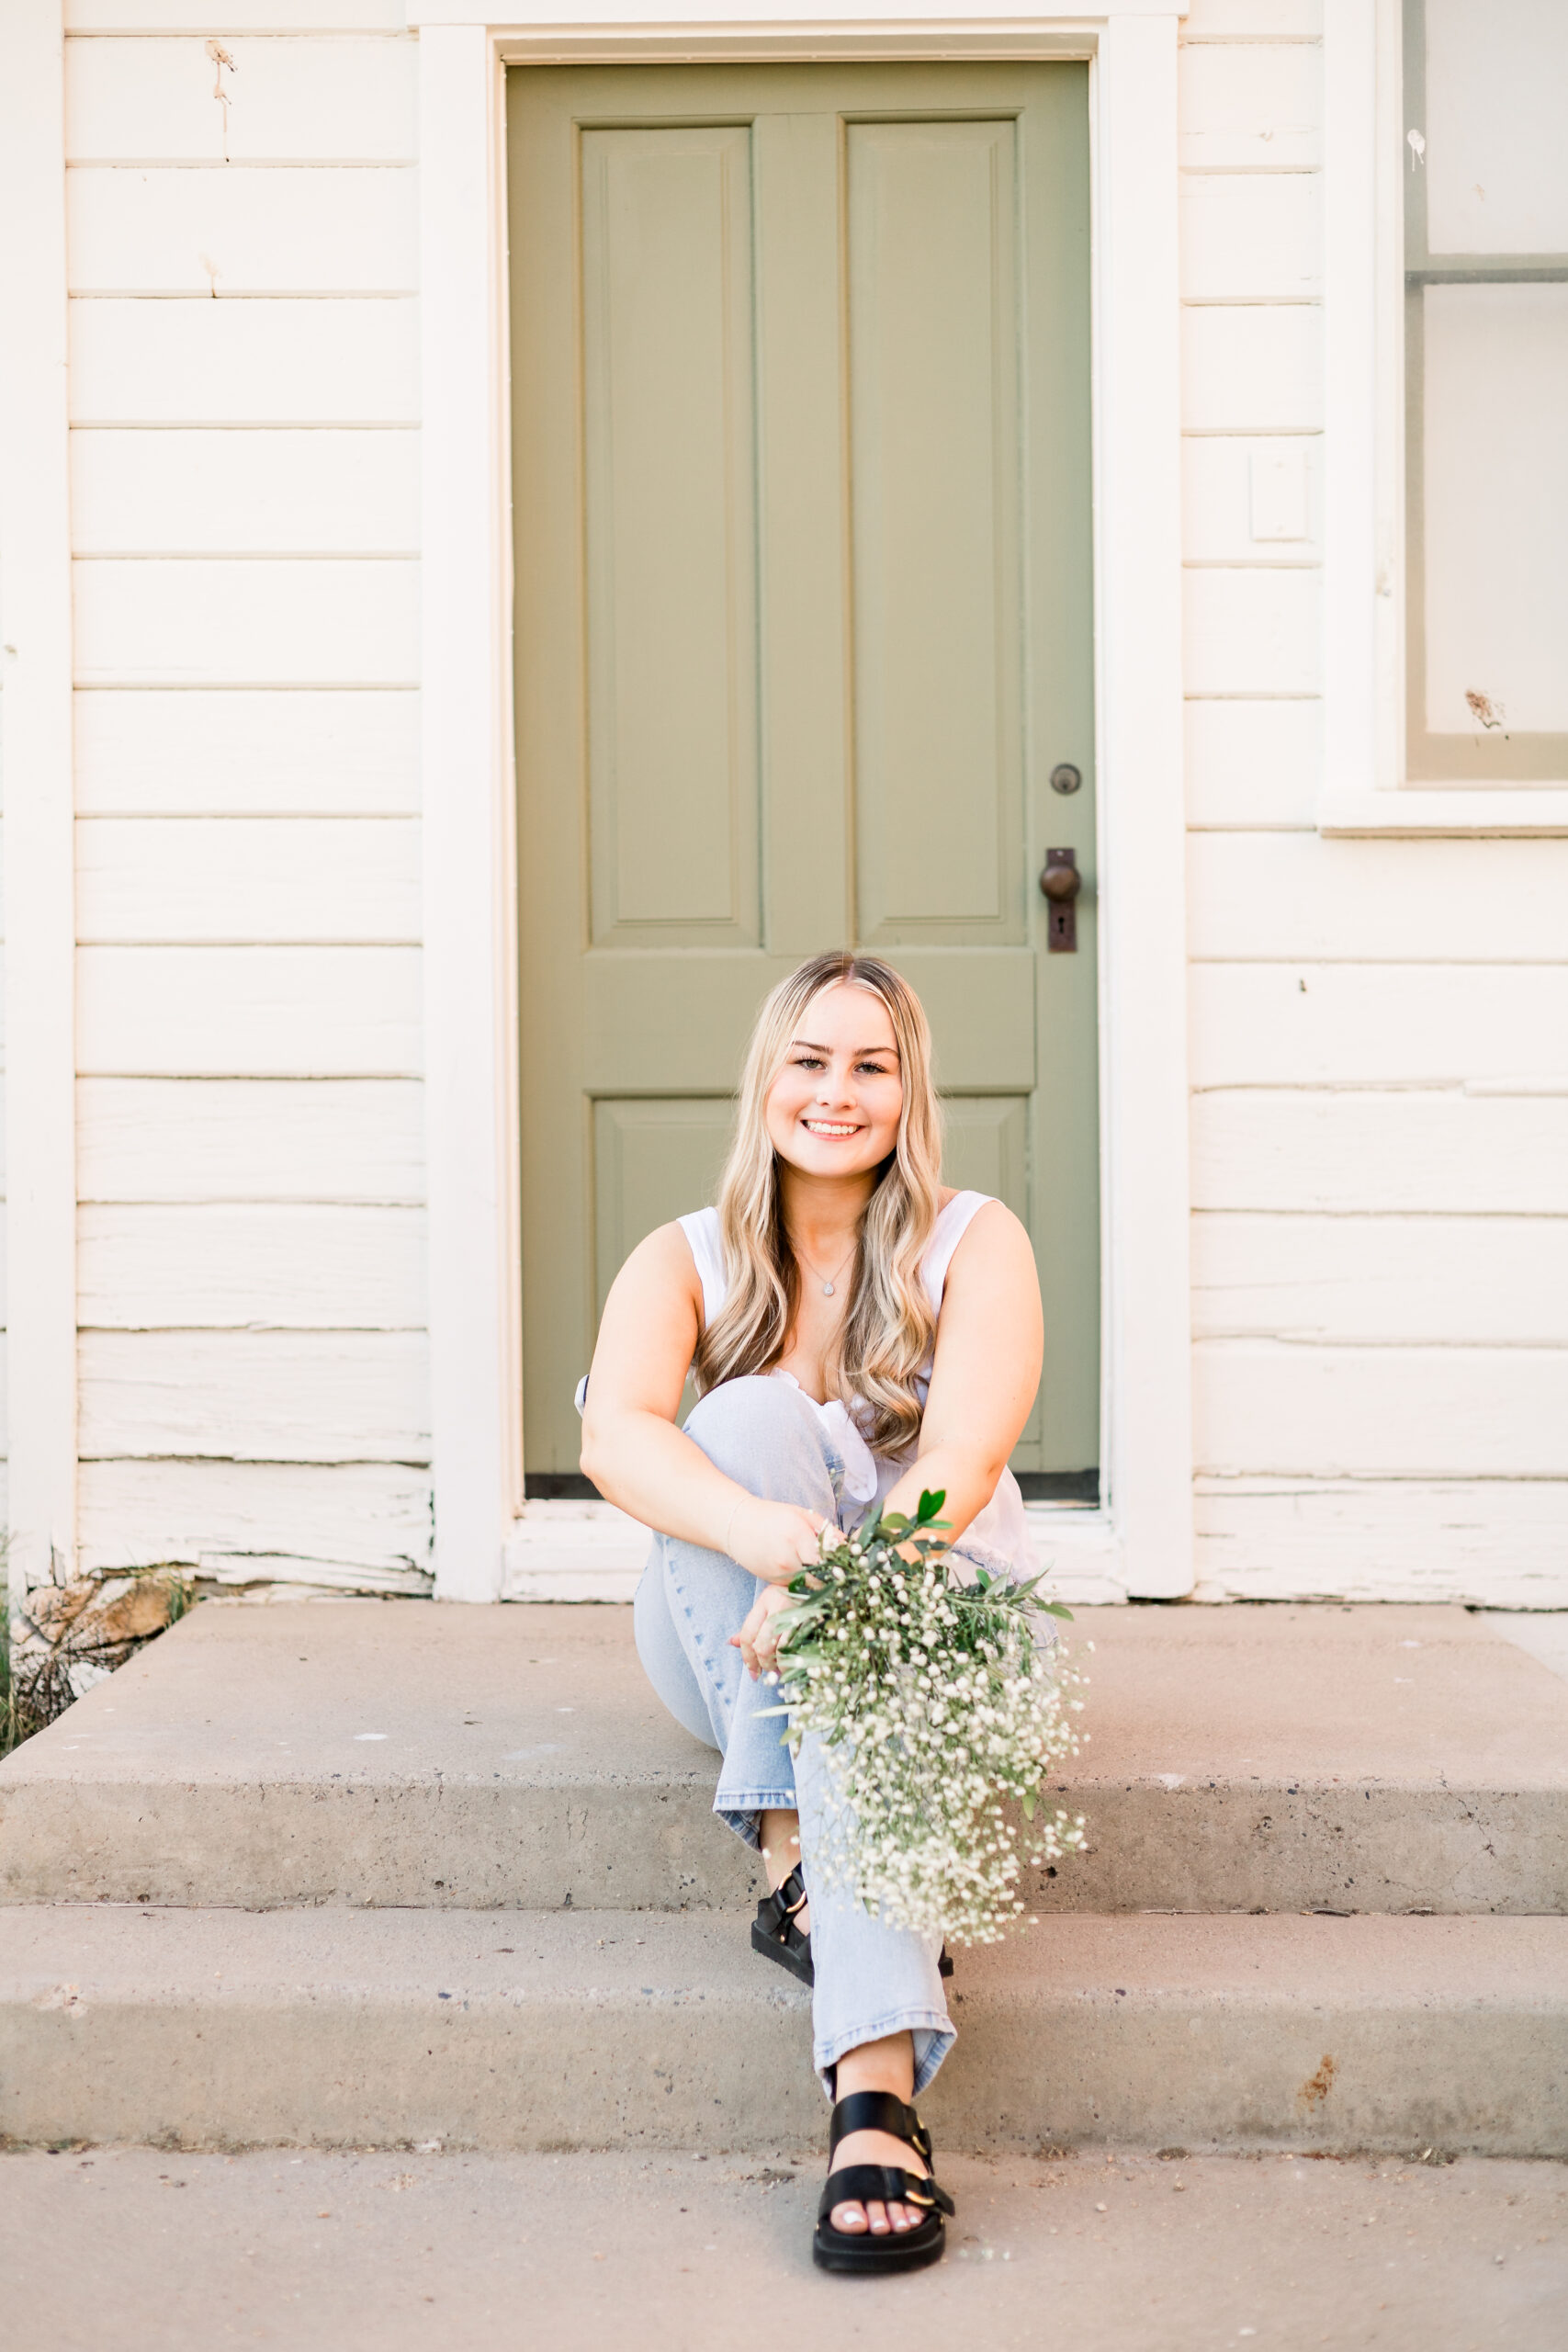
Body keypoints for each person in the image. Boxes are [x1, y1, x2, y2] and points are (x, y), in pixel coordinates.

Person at [579, 951, 1044, 2274]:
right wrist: (772, 1543)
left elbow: (960, 1462)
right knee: (738, 1420)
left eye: (871, 1065)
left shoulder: (975, 1240)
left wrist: (847, 1581)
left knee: (855, 1650)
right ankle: (829, 1909)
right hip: (721, 1642)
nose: (837, 1093)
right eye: (811, 1061)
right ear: (766, 1080)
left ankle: (867, 2075)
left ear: (909, 1092)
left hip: (924, 1628)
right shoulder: (684, 1259)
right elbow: (618, 1440)